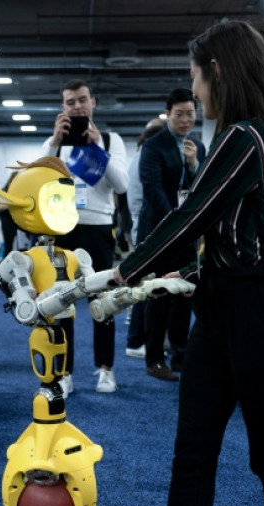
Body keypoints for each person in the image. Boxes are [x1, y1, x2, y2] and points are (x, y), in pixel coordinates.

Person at [113, 21, 264, 506]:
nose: (194, 91)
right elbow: (236, 231)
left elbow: (190, 217)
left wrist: (124, 272)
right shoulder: (244, 134)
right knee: (193, 449)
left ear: (217, 71)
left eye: (195, 77)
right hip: (221, 304)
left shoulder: (248, 135)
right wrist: (188, 270)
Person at [42, 79, 128, 395]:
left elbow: (120, 185)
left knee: (102, 302)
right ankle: (64, 373)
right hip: (63, 229)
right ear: (63, 107)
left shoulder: (110, 139)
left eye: (81, 100)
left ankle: (105, 369)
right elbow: (38, 177)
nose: (76, 107)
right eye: (70, 102)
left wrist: (96, 148)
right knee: (62, 302)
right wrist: (54, 141)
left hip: (98, 229)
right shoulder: (57, 143)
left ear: (93, 101)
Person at [136, 89, 206, 380]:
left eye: (191, 113)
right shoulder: (153, 146)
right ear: (168, 114)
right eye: (180, 114)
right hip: (160, 232)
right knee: (159, 295)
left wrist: (193, 166)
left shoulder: (198, 146)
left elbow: (202, 187)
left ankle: (181, 355)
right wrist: (174, 226)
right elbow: (152, 189)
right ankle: (154, 359)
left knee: (185, 294)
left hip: (188, 233)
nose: (186, 119)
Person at [124, 119, 166, 360]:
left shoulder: (142, 155)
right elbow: (140, 201)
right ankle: (135, 339)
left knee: (146, 286)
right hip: (147, 231)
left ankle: (141, 337)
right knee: (144, 287)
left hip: (145, 229)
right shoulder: (145, 157)